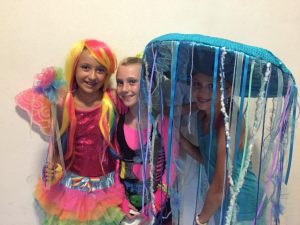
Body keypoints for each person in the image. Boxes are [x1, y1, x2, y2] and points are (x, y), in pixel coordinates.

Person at [17, 39, 128, 225]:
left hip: (106, 191)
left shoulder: (113, 100)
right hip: (71, 194)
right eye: (85, 67)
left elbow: (145, 109)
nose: (92, 76)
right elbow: (58, 146)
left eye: (100, 70)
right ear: (74, 68)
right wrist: (54, 169)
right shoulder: (62, 104)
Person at [180, 68, 265, 225]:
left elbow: (220, 187)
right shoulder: (202, 115)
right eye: (197, 84)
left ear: (227, 91)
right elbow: (206, 158)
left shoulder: (229, 123)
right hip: (223, 201)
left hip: (244, 203)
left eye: (211, 86)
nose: (202, 92)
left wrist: (200, 221)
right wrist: (179, 139)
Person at [115, 57, 179, 225]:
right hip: (125, 211)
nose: (125, 89)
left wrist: (154, 205)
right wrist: (121, 201)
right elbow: (114, 167)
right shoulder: (117, 122)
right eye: (119, 82)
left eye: (132, 82)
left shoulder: (162, 122)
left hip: (156, 211)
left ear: (146, 83)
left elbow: (171, 167)